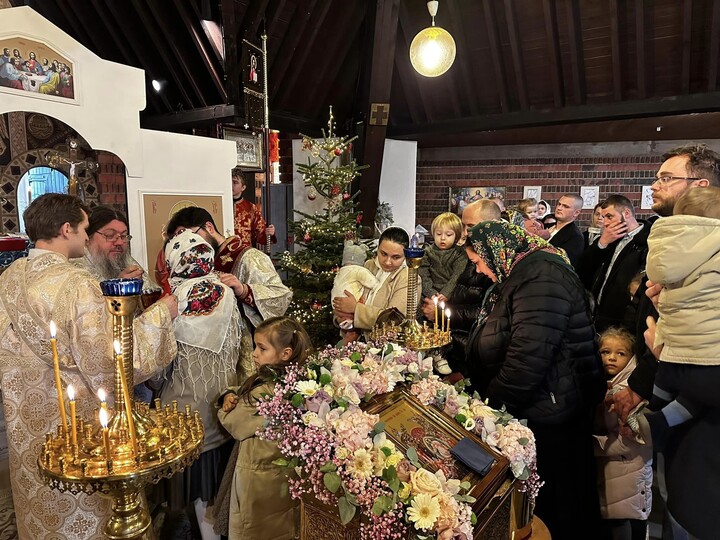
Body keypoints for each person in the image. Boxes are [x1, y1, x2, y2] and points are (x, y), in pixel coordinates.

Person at [0, 194, 178, 540]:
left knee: (42, 510)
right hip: (80, 430)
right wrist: (162, 315)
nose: (85, 236)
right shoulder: (78, 284)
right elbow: (114, 363)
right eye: (84, 228)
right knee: (92, 515)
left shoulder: (8, 277)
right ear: (66, 229)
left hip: (26, 425)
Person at [465, 220, 605, 540]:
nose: (480, 271)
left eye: (479, 262)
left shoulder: (541, 276)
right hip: (546, 404)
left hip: (551, 410)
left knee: (556, 506)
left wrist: (492, 410)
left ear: (496, 250)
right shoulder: (526, 271)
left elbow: (529, 357)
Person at [608, 143, 720, 540]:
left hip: (705, 429)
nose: (654, 185)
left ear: (700, 186)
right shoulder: (674, 245)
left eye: (666, 178)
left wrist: (662, 350)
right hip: (677, 398)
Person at [159, 230, 240, 540]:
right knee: (216, 485)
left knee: (196, 487)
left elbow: (157, 366)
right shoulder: (227, 293)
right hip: (223, 403)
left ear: (174, 263)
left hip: (185, 410)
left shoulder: (172, 303)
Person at [165, 206, 292, 383]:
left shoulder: (249, 257)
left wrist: (244, 290)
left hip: (246, 350)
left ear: (209, 227)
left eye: (191, 235)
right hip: (211, 357)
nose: (189, 243)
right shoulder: (198, 265)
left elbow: (281, 295)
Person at [218, 316, 310, 539]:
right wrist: (232, 394)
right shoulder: (296, 381)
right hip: (279, 474)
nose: (254, 354)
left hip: (258, 477)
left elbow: (234, 422)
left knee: (255, 528)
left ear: (285, 354)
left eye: (262, 348)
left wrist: (223, 402)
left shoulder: (265, 392)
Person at [642, 186, 720, 449]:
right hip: (709, 353)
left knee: (675, 385)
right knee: (698, 397)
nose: (657, 184)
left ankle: (655, 410)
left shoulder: (666, 245)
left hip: (671, 350)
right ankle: (660, 419)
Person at [420, 200, 497, 376]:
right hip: (454, 345)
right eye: (464, 226)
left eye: (471, 226)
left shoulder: (492, 263)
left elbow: (485, 314)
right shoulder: (468, 251)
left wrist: (440, 313)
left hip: (471, 353)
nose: (465, 232)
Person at [594, 327, 652, 540]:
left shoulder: (629, 392)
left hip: (629, 470)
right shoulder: (607, 385)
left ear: (631, 358)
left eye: (620, 353)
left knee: (624, 522)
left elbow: (628, 442)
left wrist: (592, 445)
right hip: (616, 471)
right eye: (605, 352)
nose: (611, 358)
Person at [578, 195, 650, 333]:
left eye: (609, 217)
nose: (605, 222)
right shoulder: (608, 239)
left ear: (626, 213)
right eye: (603, 217)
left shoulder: (646, 242)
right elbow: (583, 270)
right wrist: (601, 244)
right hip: (597, 315)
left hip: (623, 321)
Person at [332, 227, 416, 335]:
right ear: (378, 249)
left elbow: (394, 320)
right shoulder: (368, 265)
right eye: (383, 254)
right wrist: (341, 317)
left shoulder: (409, 278)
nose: (388, 262)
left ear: (405, 256)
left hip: (388, 342)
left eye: (396, 257)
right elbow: (347, 293)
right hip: (356, 338)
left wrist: (356, 309)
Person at [417, 212, 466, 374]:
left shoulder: (460, 254)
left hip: (449, 296)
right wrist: (431, 294)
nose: (442, 238)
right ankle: (424, 351)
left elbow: (456, 276)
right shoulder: (428, 251)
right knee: (422, 318)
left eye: (448, 235)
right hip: (430, 293)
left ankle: (441, 353)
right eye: (438, 234)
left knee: (445, 324)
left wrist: (446, 293)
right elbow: (423, 273)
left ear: (457, 235)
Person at [73, 206, 145, 281]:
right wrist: (118, 285)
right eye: (110, 235)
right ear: (88, 238)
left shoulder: (129, 263)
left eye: (123, 236)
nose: (120, 242)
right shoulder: (77, 271)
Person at [331, 241, 377, 344]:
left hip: (337, 306)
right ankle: (351, 329)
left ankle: (349, 329)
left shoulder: (340, 271)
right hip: (348, 310)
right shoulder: (360, 270)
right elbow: (373, 283)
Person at [232, 169, 276, 251]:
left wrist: (268, 233)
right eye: (230, 182)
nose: (231, 185)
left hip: (244, 252)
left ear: (243, 187)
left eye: (235, 182)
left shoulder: (251, 208)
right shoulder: (220, 205)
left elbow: (260, 234)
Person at [548, 194, 585, 268]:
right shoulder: (547, 226)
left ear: (576, 213)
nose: (559, 208)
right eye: (559, 204)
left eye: (565, 206)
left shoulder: (575, 237)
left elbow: (564, 263)